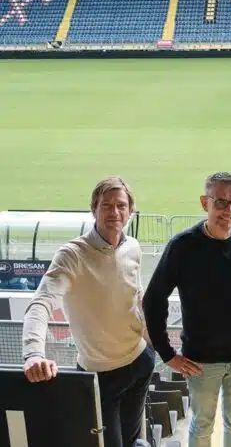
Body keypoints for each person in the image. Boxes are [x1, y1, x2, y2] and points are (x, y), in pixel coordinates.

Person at [142, 171, 231, 447]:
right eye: (220, 203)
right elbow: (153, 299)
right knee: (202, 425)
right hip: (200, 362)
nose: (228, 211)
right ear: (205, 203)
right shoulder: (182, 246)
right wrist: (167, 353)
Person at [22, 176, 154, 447]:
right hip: (100, 376)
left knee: (132, 441)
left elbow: (136, 298)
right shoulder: (72, 255)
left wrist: (153, 341)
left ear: (130, 211)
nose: (114, 212)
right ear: (94, 209)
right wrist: (34, 353)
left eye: (121, 205)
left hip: (140, 361)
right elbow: (41, 304)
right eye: (107, 205)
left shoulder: (133, 247)